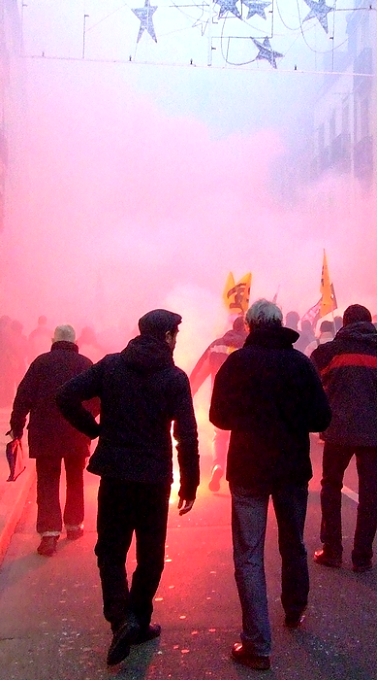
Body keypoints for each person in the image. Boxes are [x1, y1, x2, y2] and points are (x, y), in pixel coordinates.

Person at [56, 309, 200, 667]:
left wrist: (94, 430)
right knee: (150, 556)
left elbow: (65, 396)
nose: (177, 339)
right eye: (176, 333)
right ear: (166, 335)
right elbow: (187, 436)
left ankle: (120, 618)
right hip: (153, 480)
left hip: (116, 476)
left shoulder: (111, 366)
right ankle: (136, 618)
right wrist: (190, 483)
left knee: (110, 551)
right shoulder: (174, 377)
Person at [210, 299, 331, 671]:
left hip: (248, 470)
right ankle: (294, 608)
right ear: (279, 324)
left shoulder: (237, 363)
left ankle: (257, 644)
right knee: (293, 541)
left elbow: (219, 417)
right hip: (292, 468)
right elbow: (321, 418)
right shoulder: (300, 363)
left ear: (249, 326)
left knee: (248, 555)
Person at [9, 325, 95, 557]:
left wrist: (16, 427)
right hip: (76, 434)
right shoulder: (85, 364)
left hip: (45, 434)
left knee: (47, 482)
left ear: (53, 340)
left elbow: (23, 397)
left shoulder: (40, 363)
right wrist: (89, 423)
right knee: (75, 479)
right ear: (74, 340)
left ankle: (49, 534)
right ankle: (75, 525)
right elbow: (98, 399)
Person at [311, 304, 377, 572]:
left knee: (331, 486)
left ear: (344, 323)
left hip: (337, 430)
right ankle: (362, 557)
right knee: (370, 493)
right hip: (373, 432)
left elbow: (314, 383)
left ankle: (332, 550)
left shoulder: (330, 352)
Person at [189, 316, 247, 492]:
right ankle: (240, 477)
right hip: (244, 402)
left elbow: (200, 371)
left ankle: (218, 466)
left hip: (219, 400)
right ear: (246, 329)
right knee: (242, 438)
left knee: (220, 436)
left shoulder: (216, 345)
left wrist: (188, 393)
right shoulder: (250, 345)